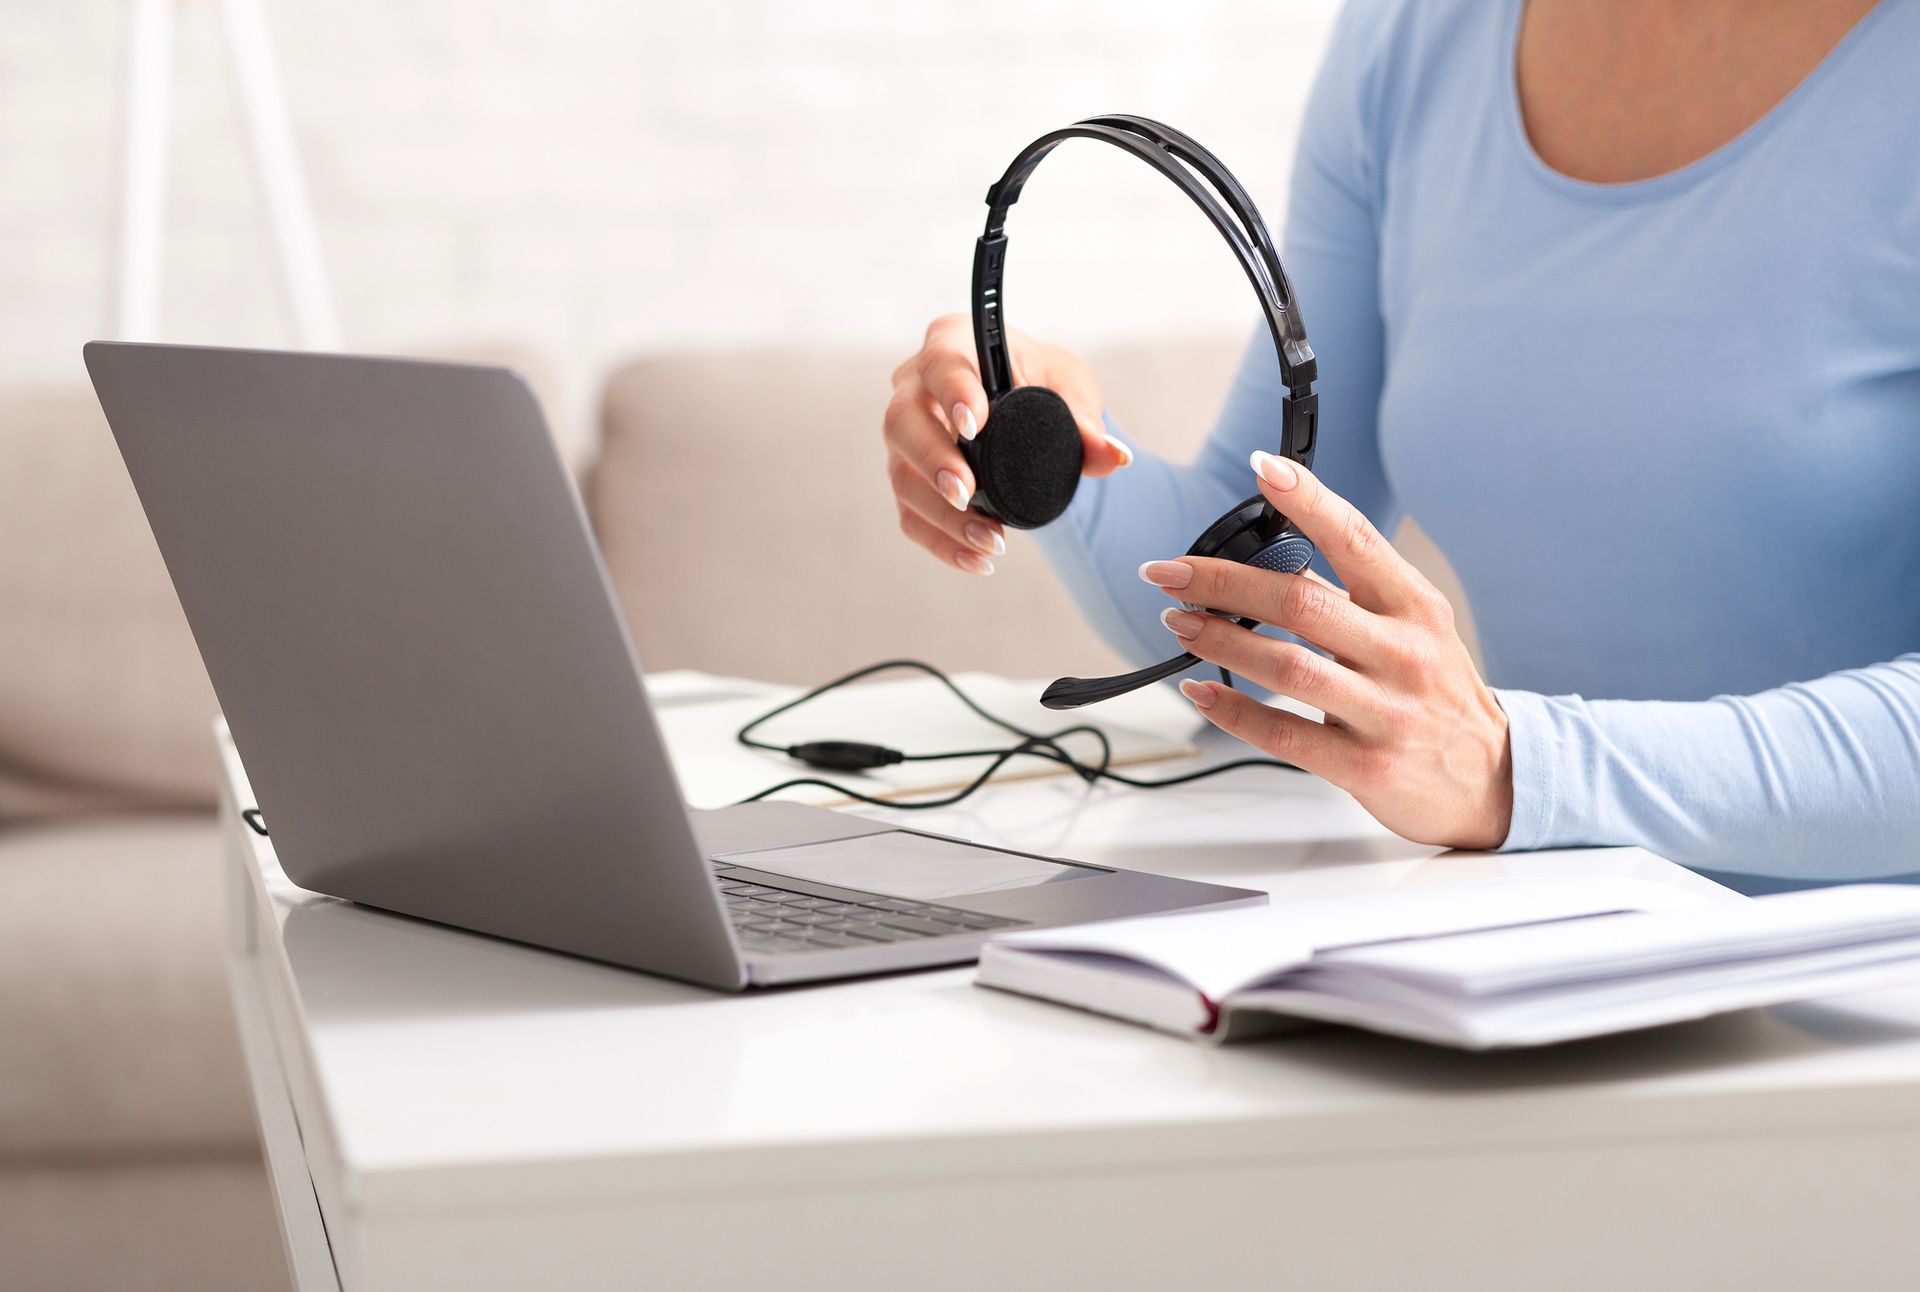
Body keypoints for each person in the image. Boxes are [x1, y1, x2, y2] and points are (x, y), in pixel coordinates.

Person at [879, 0, 1920, 886]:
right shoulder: (1419, 38)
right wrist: (1037, 449)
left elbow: (1494, 770)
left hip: (1868, 1003)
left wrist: (1520, 770)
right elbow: (1264, 567)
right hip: (1556, 952)